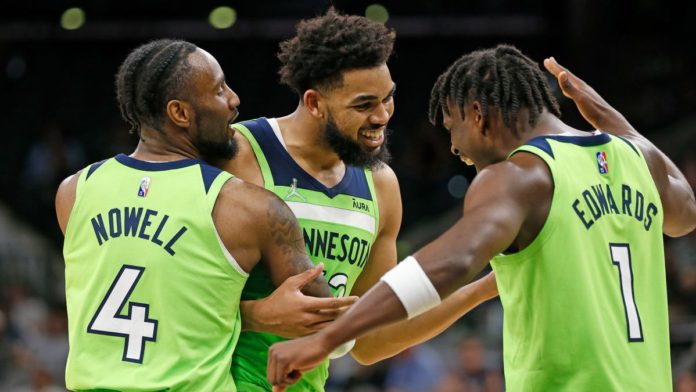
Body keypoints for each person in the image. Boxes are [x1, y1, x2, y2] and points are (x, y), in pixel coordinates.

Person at [267, 45, 696, 391]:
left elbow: (449, 261)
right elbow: (685, 215)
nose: (458, 151)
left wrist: (327, 338)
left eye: (453, 129)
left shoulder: (517, 176)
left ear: (477, 115)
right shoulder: (635, 158)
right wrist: (617, 123)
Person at [219, 9, 499, 391]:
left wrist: (484, 288)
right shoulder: (238, 155)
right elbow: (166, 292)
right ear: (315, 102)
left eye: (389, 99)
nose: (383, 116)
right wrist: (257, 316)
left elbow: (372, 341)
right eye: (365, 105)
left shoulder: (381, 185)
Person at [55, 39, 339, 391]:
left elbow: (154, 290)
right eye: (219, 90)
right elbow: (329, 323)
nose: (234, 100)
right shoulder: (247, 208)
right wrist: (258, 314)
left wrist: (246, 315)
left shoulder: (74, 191)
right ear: (180, 113)